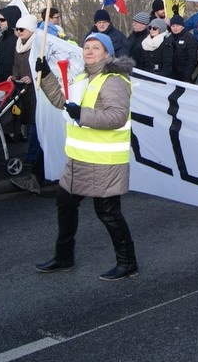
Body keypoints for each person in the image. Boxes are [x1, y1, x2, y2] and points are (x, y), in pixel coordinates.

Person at [33, 32, 139, 281]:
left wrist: (82, 113)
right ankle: (64, 257)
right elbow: (63, 103)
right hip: (79, 159)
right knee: (65, 203)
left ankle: (127, 262)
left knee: (108, 213)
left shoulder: (113, 80)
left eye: (96, 48)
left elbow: (116, 117)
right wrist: (46, 74)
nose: (89, 51)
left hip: (105, 161)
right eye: (86, 47)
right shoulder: (84, 76)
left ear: (107, 53)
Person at [9, 16, 43, 194]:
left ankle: (33, 155)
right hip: (23, 88)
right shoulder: (18, 44)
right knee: (28, 121)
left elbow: (40, 65)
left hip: (36, 88)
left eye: (22, 30)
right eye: (17, 29)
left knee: (36, 123)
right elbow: (16, 63)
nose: (19, 33)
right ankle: (32, 154)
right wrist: (14, 76)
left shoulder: (38, 43)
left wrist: (32, 76)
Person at [167, 14, 198, 83]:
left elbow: (192, 59)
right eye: (173, 26)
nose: (175, 28)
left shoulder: (190, 39)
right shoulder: (169, 39)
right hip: (171, 76)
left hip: (184, 77)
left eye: (177, 26)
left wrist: (187, 76)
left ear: (182, 26)